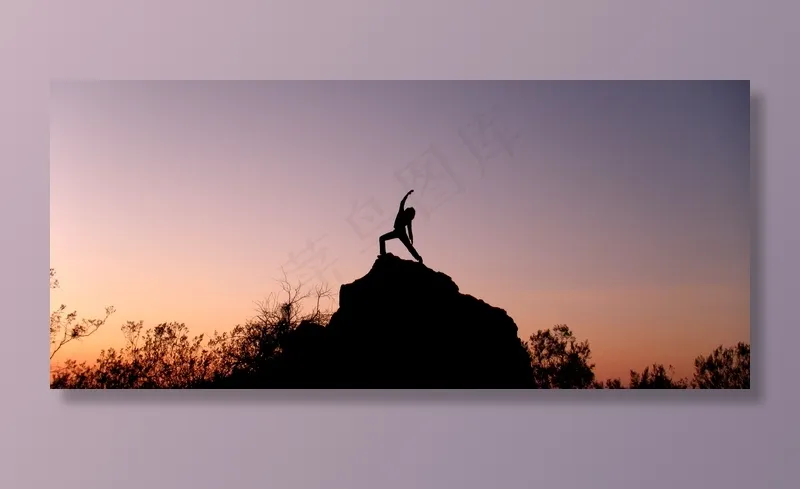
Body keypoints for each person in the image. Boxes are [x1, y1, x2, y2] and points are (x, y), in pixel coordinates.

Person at [379, 190, 423, 263]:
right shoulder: (405, 216)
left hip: (400, 232)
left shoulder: (405, 216)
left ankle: (419, 258)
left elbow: (409, 229)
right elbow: (409, 230)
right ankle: (418, 258)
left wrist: (407, 194)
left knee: (382, 238)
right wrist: (411, 238)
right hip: (399, 232)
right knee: (408, 246)